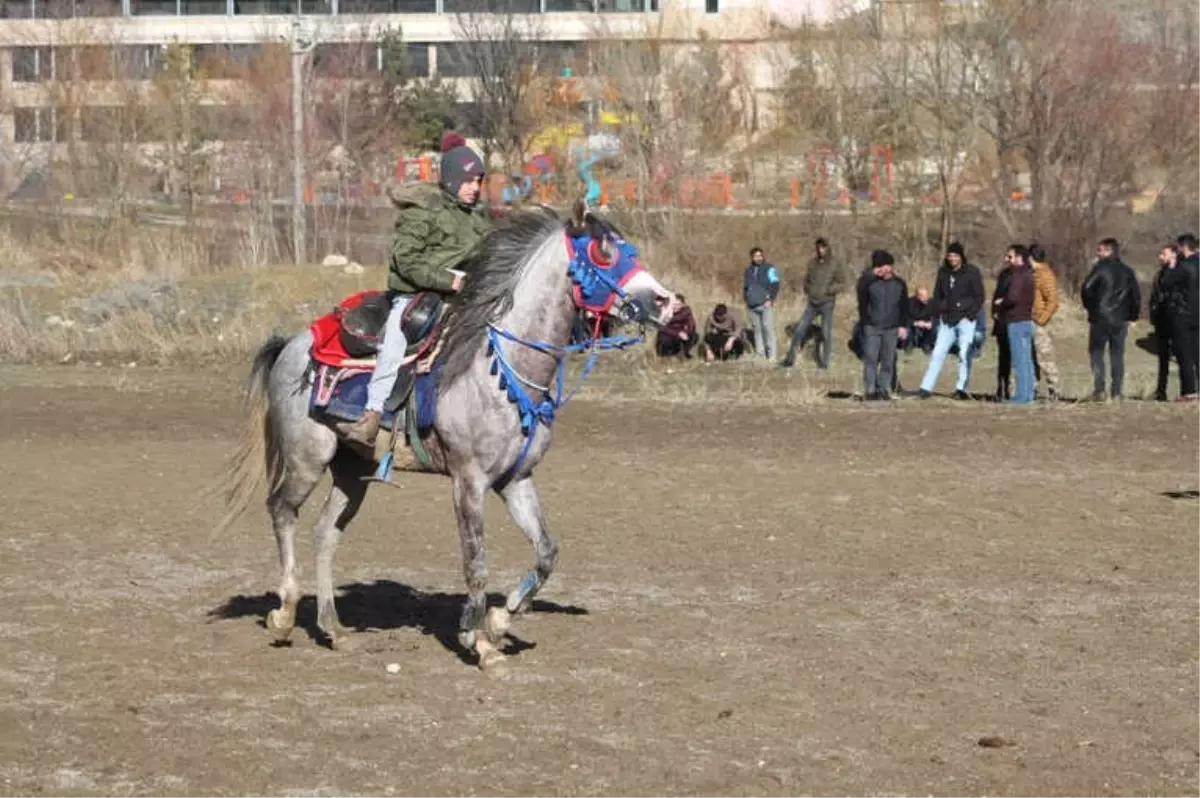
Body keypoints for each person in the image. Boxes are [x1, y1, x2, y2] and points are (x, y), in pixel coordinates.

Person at [337, 138, 493, 446]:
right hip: (416, 298)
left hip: (461, 299)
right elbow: (405, 260)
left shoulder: (477, 219)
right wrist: (448, 280)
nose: (474, 187)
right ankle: (372, 413)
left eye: (478, 181)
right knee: (396, 340)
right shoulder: (421, 212)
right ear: (451, 179)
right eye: (468, 181)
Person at [918, 241, 985, 400]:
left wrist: (970, 314)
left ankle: (961, 388)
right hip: (947, 320)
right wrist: (936, 312)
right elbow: (938, 295)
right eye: (949, 256)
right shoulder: (943, 273)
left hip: (965, 320)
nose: (952, 259)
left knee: (964, 353)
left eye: (955, 256)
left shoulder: (971, 272)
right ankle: (926, 387)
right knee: (937, 353)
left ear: (961, 257)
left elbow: (979, 296)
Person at [1080, 237, 1141, 402]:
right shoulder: (1128, 271)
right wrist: (1132, 315)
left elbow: (1086, 288)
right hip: (1121, 319)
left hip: (1100, 317)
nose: (1097, 253)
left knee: (1097, 353)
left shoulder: (1100, 268)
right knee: (1117, 354)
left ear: (1109, 251)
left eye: (1100, 250)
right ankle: (1116, 392)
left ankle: (1099, 390)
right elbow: (1135, 296)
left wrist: (1091, 307)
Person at [780, 237, 846, 369]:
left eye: (823, 247)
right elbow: (807, 280)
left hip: (827, 303)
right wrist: (808, 289)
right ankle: (790, 359)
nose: (820, 250)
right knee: (799, 330)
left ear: (827, 248)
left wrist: (829, 290)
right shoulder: (812, 263)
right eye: (818, 247)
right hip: (812, 304)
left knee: (826, 333)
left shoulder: (835, 263)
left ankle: (824, 363)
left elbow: (842, 283)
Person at [857, 250, 909, 400]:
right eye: (880, 267)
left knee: (888, 360)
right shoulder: (869, 283)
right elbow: (861, 296)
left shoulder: (899, 284)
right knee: (871, 359)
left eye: (886, 266)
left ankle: (883, 388)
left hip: (892, 327)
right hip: (872, 326)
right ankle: (870, 390)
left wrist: (903, 325)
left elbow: (904, 306)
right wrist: (871, 275)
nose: (884, 270)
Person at [995, 245, 1037, 404]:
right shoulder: (1029, 273)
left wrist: (1001, 302)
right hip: (1026, 320)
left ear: (1019, 258)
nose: (1007, 259)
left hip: (1016, 321)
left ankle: (1021, 395)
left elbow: (1013, 297)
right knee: (1027, 360)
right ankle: (1028, 394)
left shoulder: (1018, 275)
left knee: (1020, 360)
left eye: (1010, 256)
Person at [1150, 244, 1183, 401]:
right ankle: (1160, 390)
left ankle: (1187, 390)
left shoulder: (1180, 273)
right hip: (1162, 318)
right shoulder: (1160, 274)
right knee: (1163, 357)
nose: (1160, 257)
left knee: (1183, 355)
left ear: (1174, 255)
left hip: (1177, 318)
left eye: (1164, 254)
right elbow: (1155, 295)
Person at [1030, 243, 1061, 400]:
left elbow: (1053, 300)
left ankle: (1054, 389)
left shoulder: (1045, 275)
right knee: (1031, 357)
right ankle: (1033, 387)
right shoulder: (1033, 273)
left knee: (1045, 357)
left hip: (1039, 322)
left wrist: (1042, 319)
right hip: (1029, 320)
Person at [1174, 234, 1200, 401]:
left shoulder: (1183, 266)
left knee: (1185, 355)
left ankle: (1189, 391)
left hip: (1184, 314)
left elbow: (1168, 282)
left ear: (1184, 247)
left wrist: (1171, 266)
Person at [742, 246, 780, 360]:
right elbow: (745, 287)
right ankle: (760, 354)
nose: (758, 258)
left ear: (763, 256)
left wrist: (771, 299)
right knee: (757, 331)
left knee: (768, 328)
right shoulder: (748, 271)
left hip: (765, 304)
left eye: (760, 255)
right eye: (755, 256)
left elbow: (775, 284)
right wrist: (747, 299)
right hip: (752, 305)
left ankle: (772, 355)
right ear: (752, 258)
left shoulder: (770, 268)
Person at [656, 294, 698, 359]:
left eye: (678, 304)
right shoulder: (665, 312)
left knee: (694, 335)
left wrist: (685, 332)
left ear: (683, 305)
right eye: (673, 304)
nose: (675, 306)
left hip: (680, 335)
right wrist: (678, 333)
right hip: (670, 334)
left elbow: (692, 325)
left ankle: (683, 352)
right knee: (663, 336)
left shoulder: (686, 311)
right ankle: (665, 355)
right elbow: (662, 327)